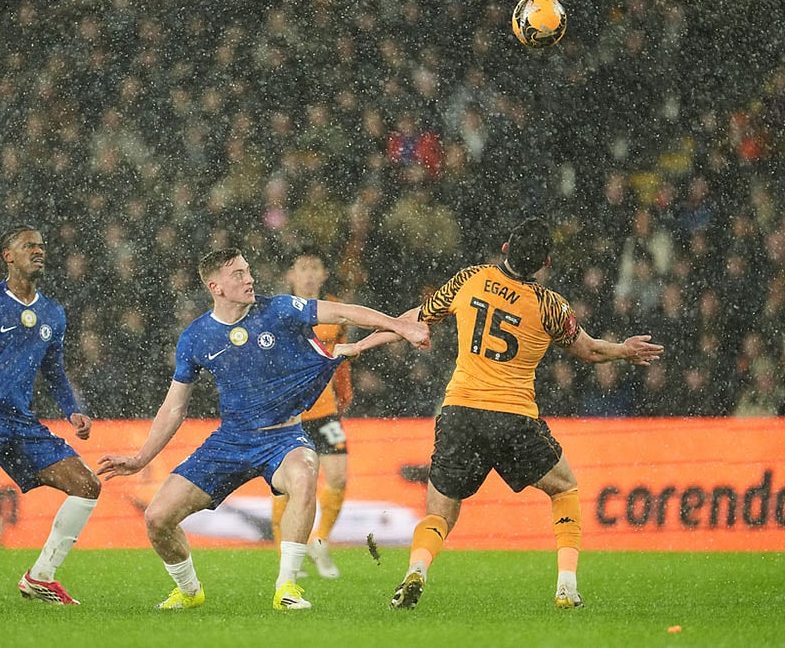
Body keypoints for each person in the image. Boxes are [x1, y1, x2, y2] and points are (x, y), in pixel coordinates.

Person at [335, 217, 664, 611]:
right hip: (513, 416)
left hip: (460, 412)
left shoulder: (471, 279)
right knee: (565, 489)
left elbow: (416, 318)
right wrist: (625, 350)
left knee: (439, 512)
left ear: (505, 248)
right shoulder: (550, 305)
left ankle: (417, 570)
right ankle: (566, 587)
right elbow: (588, 351)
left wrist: (362, 345)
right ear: (544, 262)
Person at [97, 247, 429, 611]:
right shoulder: (196, 337)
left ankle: (287, 587)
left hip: (283, 436)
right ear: (216, 286)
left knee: (305, 475)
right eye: (238, 274)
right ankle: (189, 591)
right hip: (230, 441)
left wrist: (399, 325)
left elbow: (343, 311)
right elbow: (174, 407)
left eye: (248, 271)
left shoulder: (279, 309)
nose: (249, 278)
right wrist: (141, 458)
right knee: (157, 518)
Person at [0, 225, 101, 608]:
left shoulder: (52, 312)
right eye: (29, 245)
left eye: (42, 246)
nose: (38, 251)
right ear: (7, 255)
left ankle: (40, 578)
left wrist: (72, 409)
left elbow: (54, 371)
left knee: (88, 486)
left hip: (23, 421)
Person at [270, 247, 353, 578]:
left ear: (323, 274)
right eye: (301, 268)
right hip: (290, 414)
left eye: (313, 267)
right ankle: (286, 552)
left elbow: (341, 359)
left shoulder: (335, 312)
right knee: (286, 485)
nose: (307, 274)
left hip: (325, 411)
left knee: (338, 478)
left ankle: (319, 541)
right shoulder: (278, 313)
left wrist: (345, 392)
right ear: (291, 275)